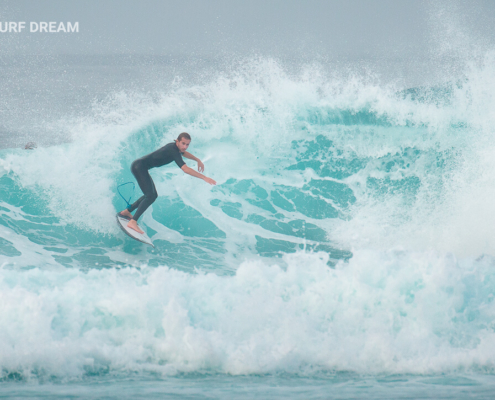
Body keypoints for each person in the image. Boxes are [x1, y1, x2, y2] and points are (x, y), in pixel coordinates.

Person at [118, 132, 216, 233]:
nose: (185, 147)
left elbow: (184, 153)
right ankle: (133, 221)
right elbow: (185, 169)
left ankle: (126, 212)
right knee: (150, 196)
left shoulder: (175, 148)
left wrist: (197, 159)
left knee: (152, 195)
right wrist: (204, 177)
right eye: (183, 143)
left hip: (140, 166)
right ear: (177, 141)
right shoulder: (172, 150)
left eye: (187, 144)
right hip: (139, 167)